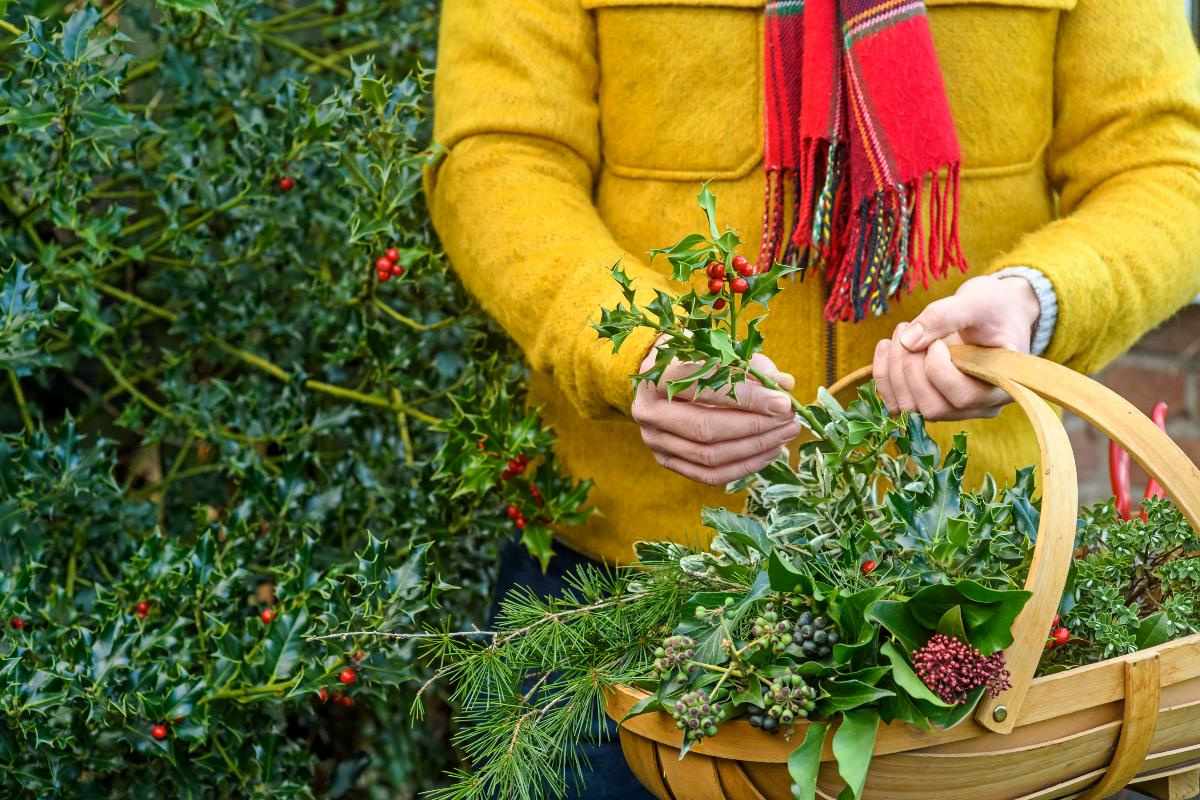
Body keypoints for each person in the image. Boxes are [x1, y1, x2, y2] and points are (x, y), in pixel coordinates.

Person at [429, 0, 1200, 796]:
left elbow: (1165, 165)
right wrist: (629, 347)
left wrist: (1040, 299)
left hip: (969, 600)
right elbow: (499, 153)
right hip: (622, 599)